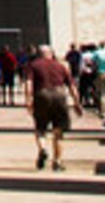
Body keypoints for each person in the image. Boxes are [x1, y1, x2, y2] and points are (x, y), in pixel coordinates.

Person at [28, 40, 74, 170]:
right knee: (58, 131)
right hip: (59, 95)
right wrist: (76, 102)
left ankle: (42, 148)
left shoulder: (33, 65)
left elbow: (28, 83)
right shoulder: (60, 66)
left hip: (41, 95)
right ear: (51, 54)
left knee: (40, 128)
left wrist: (28, 99)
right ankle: (57, 161)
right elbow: (71, 85)